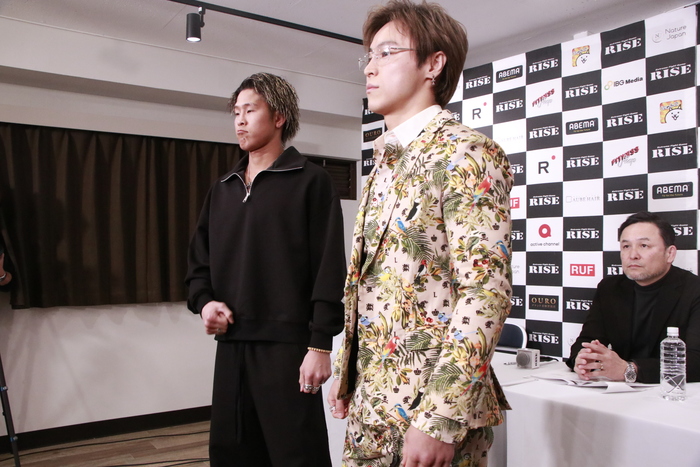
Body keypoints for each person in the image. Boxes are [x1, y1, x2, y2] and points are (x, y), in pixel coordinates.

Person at [327, 1, 513, 466]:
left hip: (428, 411)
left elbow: (485, 292)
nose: (369, 68)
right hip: (373, 402)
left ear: (434, 64)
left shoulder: (466, 152)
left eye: (387, 52)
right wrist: (348, 373)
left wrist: (440, 419)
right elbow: (373, 283)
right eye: (369, 55)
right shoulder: (385, 160)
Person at [185, 72, 346, 467]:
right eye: (236, 112)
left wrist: (320, 345)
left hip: (289, 349)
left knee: (297, 456)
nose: (240, 120)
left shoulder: (312, 182)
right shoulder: (223, 188)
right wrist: (205, 303)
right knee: (232, 453)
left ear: (278, 117)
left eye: (250, 110)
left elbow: (329, 268)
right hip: (232, 345)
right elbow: (198, 263)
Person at [567, 211, 700, 384]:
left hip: (673, 391)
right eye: (626, 246)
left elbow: (696, 360)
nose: (633, 255)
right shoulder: (610, 288)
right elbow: (587, 340)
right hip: (621, 392)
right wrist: (582, 359)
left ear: (670, 254)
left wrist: (630, 370)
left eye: (644, 245)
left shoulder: (694, 290)